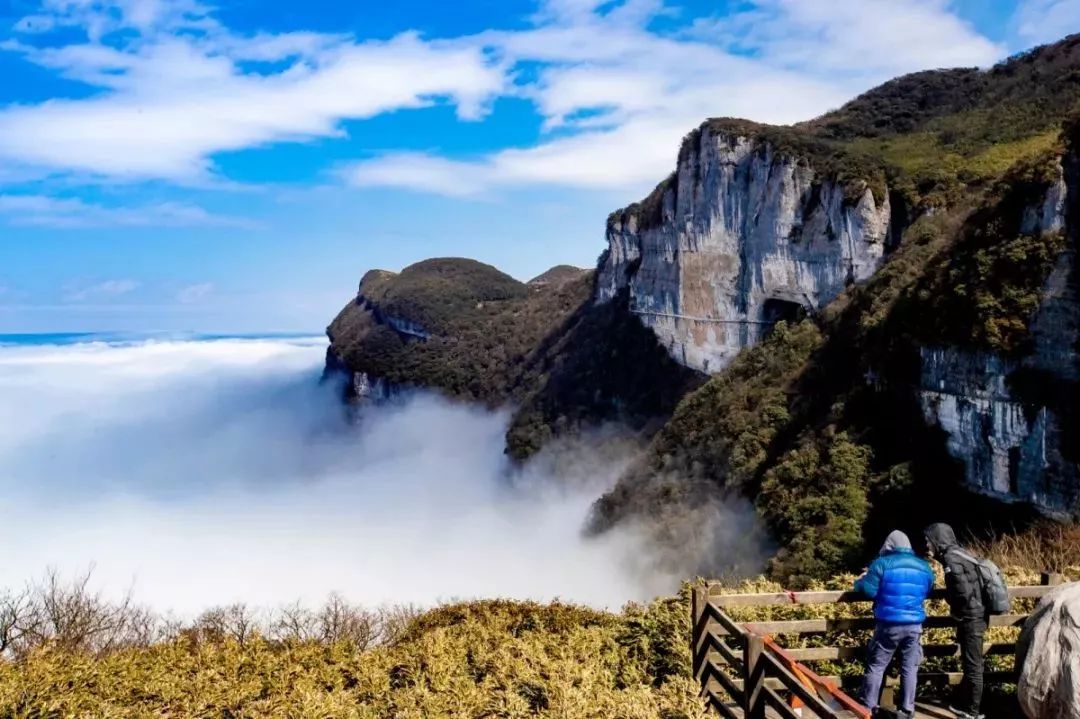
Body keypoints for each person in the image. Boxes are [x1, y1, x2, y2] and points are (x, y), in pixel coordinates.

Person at [855, 530, 935, 719]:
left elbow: (867, 590)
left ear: (889, 545)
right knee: (909, 667)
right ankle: (907, 710)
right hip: (915, 625)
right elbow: (928, 589)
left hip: (888, 624)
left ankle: (868, 708)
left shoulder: (882, 564)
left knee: (876, 666)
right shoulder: (924, 567)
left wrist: (858, 582)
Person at [924, 523, 987, 719]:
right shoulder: (962, 553)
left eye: (929, 540)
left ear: (938, 540)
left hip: (971, 617)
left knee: (974, 665)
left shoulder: (951, 559)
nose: (927, 545)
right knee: (971, 664)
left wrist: (953, 604)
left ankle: (973, 712)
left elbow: (962, 592)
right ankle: (964, 704)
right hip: (977, 614)